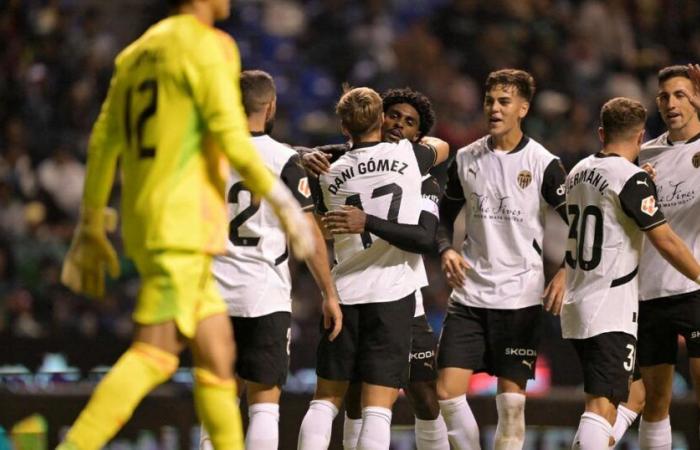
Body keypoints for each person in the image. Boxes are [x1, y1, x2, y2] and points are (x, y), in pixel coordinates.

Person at [57, 2, 314, 450]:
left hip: (149, 220)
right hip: (185, 222)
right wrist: (286, 207)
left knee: (218, 359)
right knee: (153, 353)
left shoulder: (134, 54)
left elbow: (103, 140)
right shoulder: (211, 45)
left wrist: (91, 223)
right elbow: (232, 135)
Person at [195, 70, 343, 450]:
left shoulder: (204, 155)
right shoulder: (284, 160)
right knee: (264, 406)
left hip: (211, 297)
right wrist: (329, 291)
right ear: (271, 105)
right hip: (265, 296)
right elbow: (309, 232)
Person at [296, 86, 449, 450]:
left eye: (408, 121)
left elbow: (318, 222)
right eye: (392, 116)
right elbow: (442, 147)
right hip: (392, 295)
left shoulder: (327, 170)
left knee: (326, 400)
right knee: (375, 407)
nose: (398, 124)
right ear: (381, 119)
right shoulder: (411, 158)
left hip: (345, 292)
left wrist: (315, 154)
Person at [435, 68, 568, 450]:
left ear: (523, 108)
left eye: (504, 101)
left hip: (520, 298)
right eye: (490, 100)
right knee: (446, 391)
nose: (494, 107)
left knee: (510, 408)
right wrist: (446, 249)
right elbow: (443, 217)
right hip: (470, 297)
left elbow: (578, 225)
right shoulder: (465, 158)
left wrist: (563, 273)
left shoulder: (544, 163)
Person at [561, 97, 700, 449]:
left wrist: (639, 180)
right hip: (609, 307)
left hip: (578, 301)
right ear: (640, 138)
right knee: (600, 405)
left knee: (635, 396)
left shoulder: (578, 170)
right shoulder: (630, 179)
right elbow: (666, 240)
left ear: (602, 132)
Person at [631, 64, 700, 449]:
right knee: (656, 403)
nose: (671, 103)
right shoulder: (644, 153)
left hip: (696, 286)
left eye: (680, 94)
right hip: (651, 291)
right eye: (664, 96)